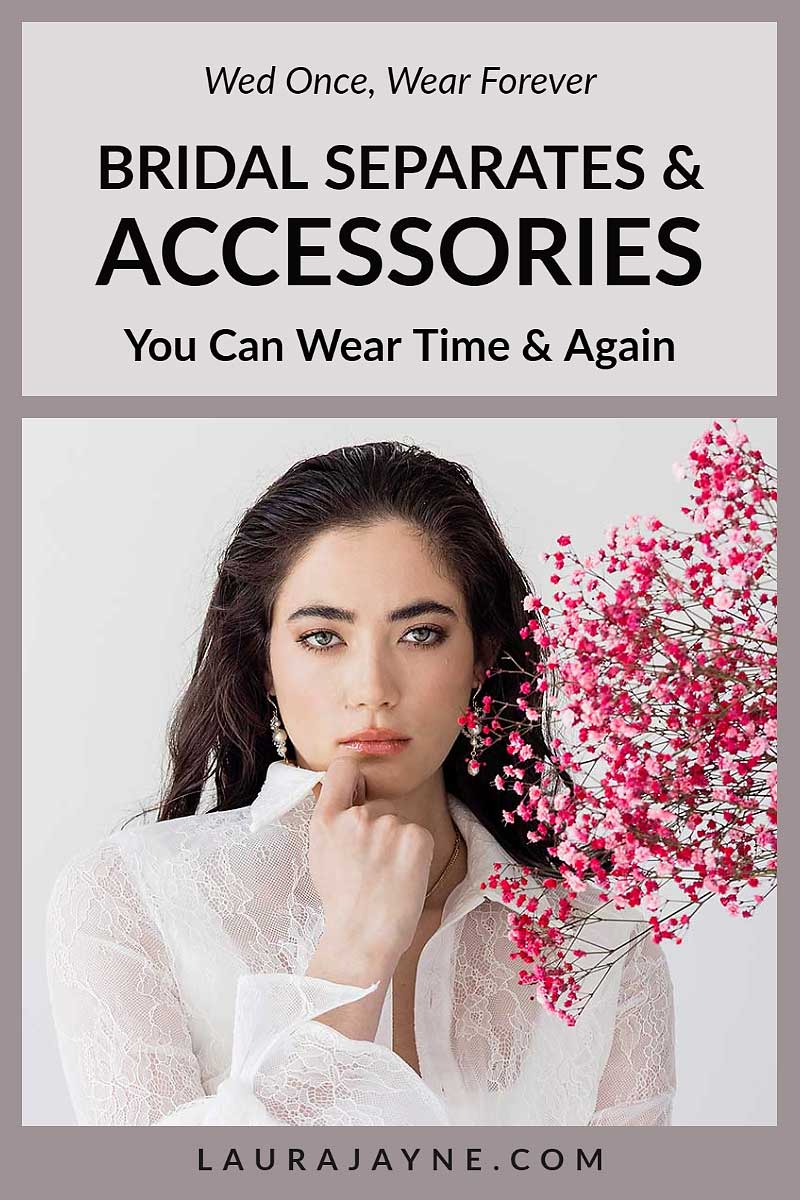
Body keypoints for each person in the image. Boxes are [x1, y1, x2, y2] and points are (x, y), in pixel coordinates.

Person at [45, 440, 676, 1126]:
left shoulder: (597, 934)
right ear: (264, 665)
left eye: (421, 634)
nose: (372, 688)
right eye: (322, 637)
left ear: (480, 659)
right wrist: (352, 954)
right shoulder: (133, 898)